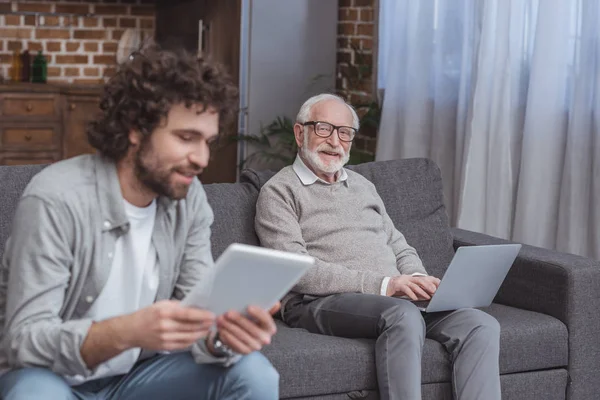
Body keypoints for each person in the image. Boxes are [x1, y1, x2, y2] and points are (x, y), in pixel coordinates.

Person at [0, 45, 279, 400]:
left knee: (253, 373)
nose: (202, 158)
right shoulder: (56, 198)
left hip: (138, 376)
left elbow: (199, 313)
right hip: (50, 378)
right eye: (185, 137)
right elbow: (23, 340)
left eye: (207, 142)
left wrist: (222, 337)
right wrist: (126, 332)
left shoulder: (189, 199)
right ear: (136, 129)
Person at [254, 93, 501, 400]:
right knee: (402, 315)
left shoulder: (362, 185)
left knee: (479, 324)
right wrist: (385, 285)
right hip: (318, 301)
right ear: (299, 132)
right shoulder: (279, 191)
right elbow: (296, 269)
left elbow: (399, 244)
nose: (334, 141)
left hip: (392, 298)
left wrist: (416, 279)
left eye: (344, 132)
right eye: (323, 129)